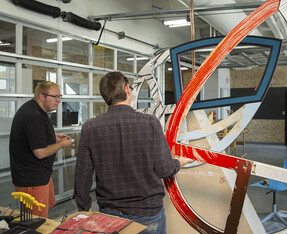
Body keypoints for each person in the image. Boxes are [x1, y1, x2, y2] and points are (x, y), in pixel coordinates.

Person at [74, 72, 193, 234]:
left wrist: (84, 209)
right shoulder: (150, 123)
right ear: (127, 89)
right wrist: (181, 161)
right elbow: (164, 170)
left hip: (110, 215)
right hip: (148, 213)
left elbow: (82, 176)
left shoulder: (90, 128)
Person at [9, 81, 73, 217]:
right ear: (42, 97)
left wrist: (53, 136)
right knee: (36, 222)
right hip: (31, 180)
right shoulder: (33, 116)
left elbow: (32, 136)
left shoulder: (35, 109)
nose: (59, 100)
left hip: (40, 176)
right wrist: (61, 145)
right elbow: (40, 152)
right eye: (55, 96)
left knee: (42, 218)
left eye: (59, 96)